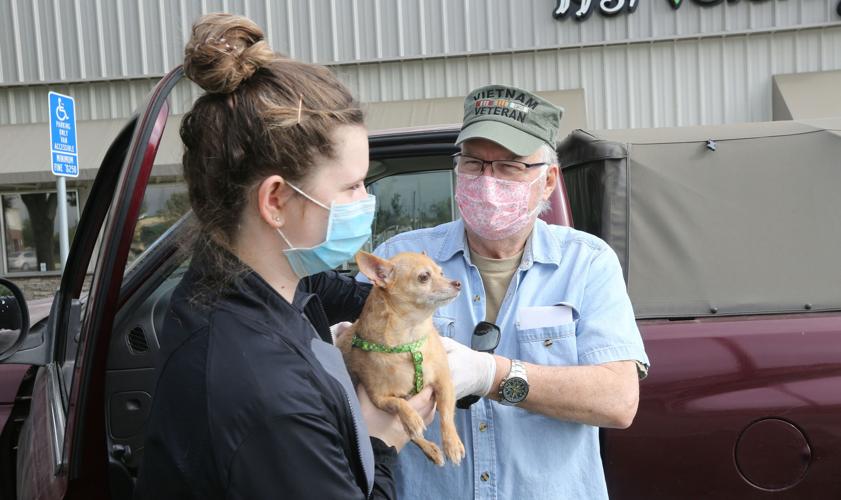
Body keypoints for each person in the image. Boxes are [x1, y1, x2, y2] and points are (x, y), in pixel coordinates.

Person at [133, 13, 434, 500]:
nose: (366, 201)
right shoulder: (267, 397)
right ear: (275, 201)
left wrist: (400, 299)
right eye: (352, 186)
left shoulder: (240, 276)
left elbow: (328, 288)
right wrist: (383, 440)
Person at [360, 85, 650, 499]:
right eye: (475, 163)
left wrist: (492, 375)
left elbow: (618, 400)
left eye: (510, 166)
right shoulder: (398, 262)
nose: (488, 180)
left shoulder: (585, 263)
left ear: (548, 179)